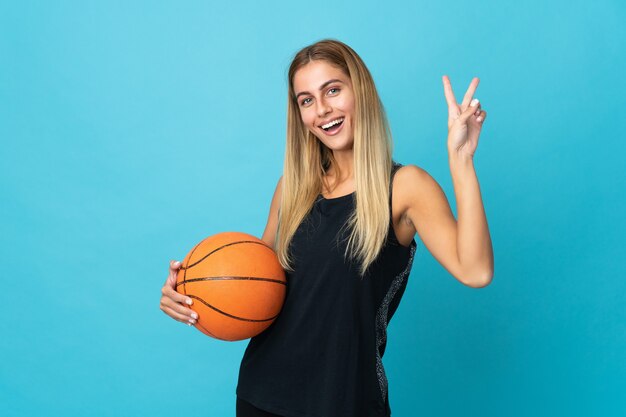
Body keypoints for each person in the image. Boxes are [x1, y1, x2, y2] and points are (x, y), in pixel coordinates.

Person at [159, 39, 493, 417]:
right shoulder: (293, 188)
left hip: (347, 401)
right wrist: (189, 295)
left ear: (360, 90)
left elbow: (476, 270)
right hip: (260, 398)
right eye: (306, 100)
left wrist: (461, 160)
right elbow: (252, 284)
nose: (322, 110)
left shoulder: (405, 187)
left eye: (333, 90)